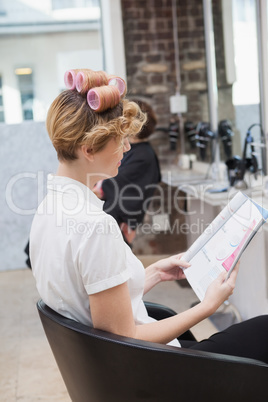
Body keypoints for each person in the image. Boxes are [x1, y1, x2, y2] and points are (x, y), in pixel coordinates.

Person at [30, 69, 268, 363]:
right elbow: (123, 337)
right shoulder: (94, 227)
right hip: (150, 372)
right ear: (89, 149)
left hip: (118, 367)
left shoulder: (48, 209)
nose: (128, 147)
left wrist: (154, 272)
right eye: (121, 140)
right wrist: (207, 306)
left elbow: (94, 299)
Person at [94, 99, 161, 245]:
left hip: (119, 218)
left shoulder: (143, 156)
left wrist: (94, 187)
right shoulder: (136, 151)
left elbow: (112, 184)